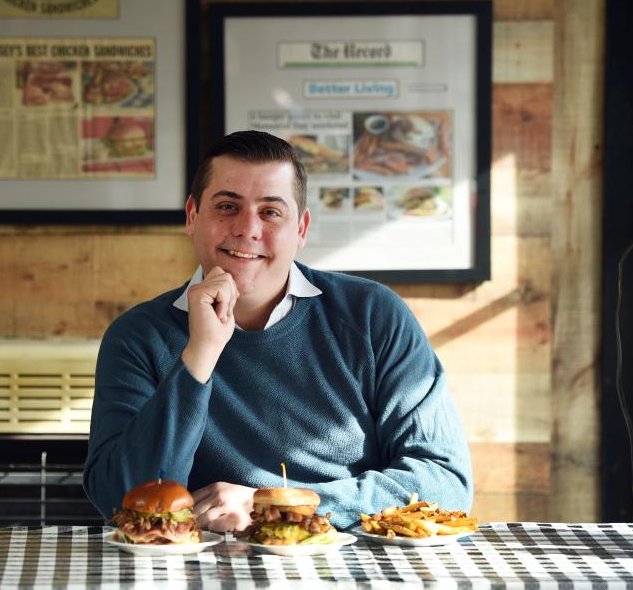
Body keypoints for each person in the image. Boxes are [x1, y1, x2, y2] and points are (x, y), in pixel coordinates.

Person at [83, 130, 472, 532]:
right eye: (228, 206)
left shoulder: (374, 316)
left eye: (270, 212)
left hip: (351, 571)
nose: (247, 229)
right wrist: (199, 356)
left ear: (300, 229)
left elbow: (445, 481)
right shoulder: (136, 336)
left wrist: (275, 506)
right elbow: (121, 499)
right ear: (192, 217)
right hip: (198, 577)